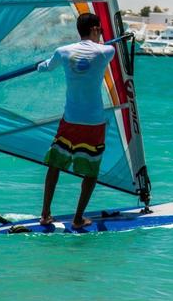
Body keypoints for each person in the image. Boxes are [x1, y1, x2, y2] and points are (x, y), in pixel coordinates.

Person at [36, 12, 115, 229]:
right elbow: (102, 48)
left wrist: (39, 66)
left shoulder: (63, 51)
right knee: (91, 172)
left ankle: (45, 214)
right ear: (96, 29)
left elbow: (46, 67)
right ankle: (78, 218)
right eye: (100, 30)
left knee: (55, 165)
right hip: (94, 123)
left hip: (70, 120)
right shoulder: (107, 51)